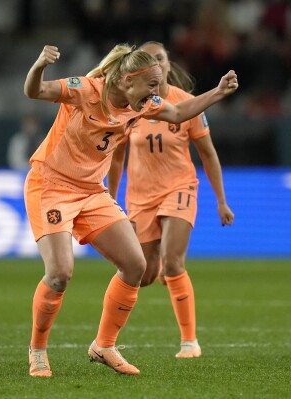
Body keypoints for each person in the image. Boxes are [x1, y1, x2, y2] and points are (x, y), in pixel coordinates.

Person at [23, 43, 238, 377]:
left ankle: (104, 345)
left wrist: (218, 92)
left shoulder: (143, 105)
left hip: (91, 191)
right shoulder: (86, 90)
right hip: (51, 186)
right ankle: (37, 351)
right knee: (60, 273)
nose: (157, 92)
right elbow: (34, 90)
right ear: (126, 81)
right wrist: (39, 65)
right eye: (151, 85)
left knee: (136, 264)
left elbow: (180, 113)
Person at [107, 41, 234, 359]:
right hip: (140, 197)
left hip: (179, 187)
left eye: (161, 59)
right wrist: (109, 196)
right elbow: (116, 158)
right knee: (145, 274)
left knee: (174, 261)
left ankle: (189, 342)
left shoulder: (187, 104)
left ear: (166, 64)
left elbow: (208, 153)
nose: (157, 65)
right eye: (150, 61)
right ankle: (107, 338)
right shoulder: (129, 108)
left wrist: (221, 200)